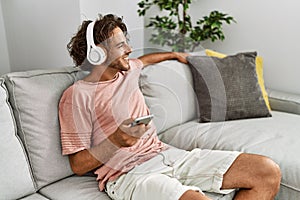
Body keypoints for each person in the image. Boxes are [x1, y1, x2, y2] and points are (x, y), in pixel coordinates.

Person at [59, 14, 281, 200]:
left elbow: (145, 59)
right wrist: (115, 140)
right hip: (127, 174)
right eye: (120, 45)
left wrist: (174, 54)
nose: (129, 49)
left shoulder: (128, 71)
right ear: (97, 52)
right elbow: (78, 165)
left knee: (266, 171)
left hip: (167, 155)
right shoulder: (77, 95)